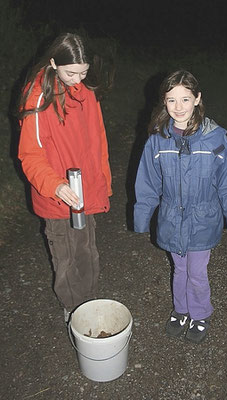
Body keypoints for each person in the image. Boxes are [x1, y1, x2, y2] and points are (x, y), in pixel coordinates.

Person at [134, 70, 227, 343]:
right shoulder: (157, 140)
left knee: (196, 271)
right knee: (179, 268)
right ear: (164, 102)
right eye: (171, 100)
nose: (179, 107)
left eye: (185, 99)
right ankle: (181, 310)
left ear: (197, 99)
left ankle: (200, 313)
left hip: (203, 219)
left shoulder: (215, 138)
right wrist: (141, 216)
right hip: (171, 218)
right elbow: (147, 181)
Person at [18, 32, 113, 323]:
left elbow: (98, 140)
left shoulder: (86, 91)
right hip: (57, 196)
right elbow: (30, 155)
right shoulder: (38, 99)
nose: (77, 79)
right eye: (71, 72)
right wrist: (56, 185)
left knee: (87, 250)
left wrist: (102, 183)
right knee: (66, 256)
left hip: (86, 193)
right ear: (53, 63)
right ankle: (73, 309)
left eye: (83, 72)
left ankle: (90, 301)